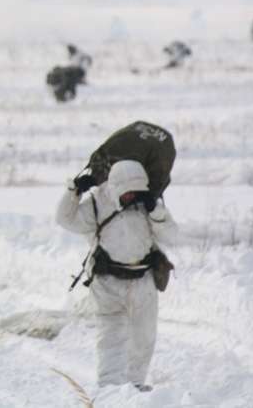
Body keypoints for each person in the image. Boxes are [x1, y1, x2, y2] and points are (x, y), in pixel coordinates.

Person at [56, 160, 178, 390]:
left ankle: (135, 386)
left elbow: (171, 235)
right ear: (116, 187)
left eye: (136, 191)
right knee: (111, 337)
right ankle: (109, 389)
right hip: (107, 283)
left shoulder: (147, 205)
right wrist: (74, 192)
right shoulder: (96, 204)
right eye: (127, 192)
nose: (131, 196)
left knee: (143, 336)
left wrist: (156, 211)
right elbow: (64, 219)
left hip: (143, 281)